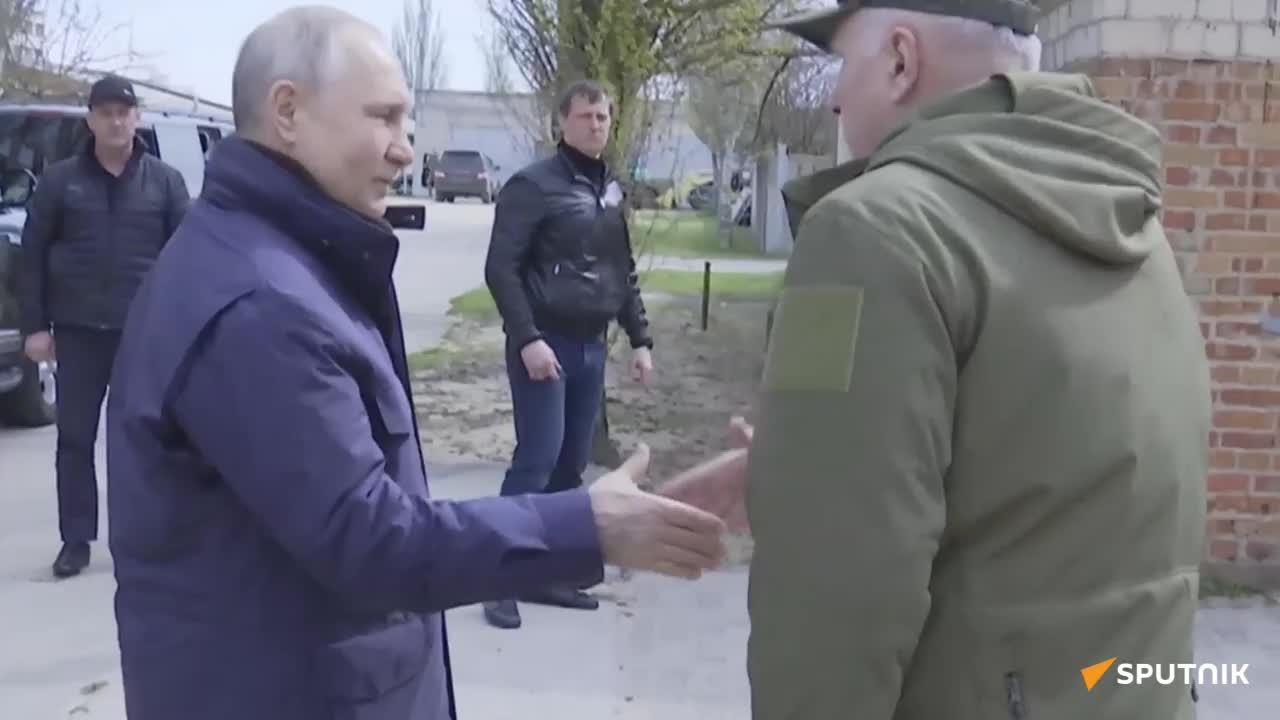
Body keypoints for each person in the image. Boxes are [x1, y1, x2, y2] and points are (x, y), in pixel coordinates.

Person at [104, 7, 737, 719]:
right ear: (288, 111)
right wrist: (585, 527)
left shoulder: (290, 261)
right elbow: (372, 540)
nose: (405, 150)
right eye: (383, 117)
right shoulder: (259, 306)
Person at [732, 1, 1212, 718]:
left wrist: (814, 483)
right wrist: (807, 457)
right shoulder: (1132, 222)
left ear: (901, 61)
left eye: (843, 65)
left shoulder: (867, 233)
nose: (833, 99)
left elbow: (835, 589)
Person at [481, 79, 655, 629]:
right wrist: (528, 338)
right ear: (562, 122)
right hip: (544, 343)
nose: (596, 125)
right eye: (585, 116)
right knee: (536, 459)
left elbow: (621, 272)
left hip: (590, 346)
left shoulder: (611, 191)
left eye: (603, 117)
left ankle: (546, 574)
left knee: (568, 467)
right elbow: (501, 268)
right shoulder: (533, 186)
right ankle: (497, 577)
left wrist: (640, 339)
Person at [17, 74, 190, 579]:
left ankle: (144, 538)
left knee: (143, 443)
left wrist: (182, 327)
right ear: (91, 119)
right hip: (78, 332)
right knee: (74, 440)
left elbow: (188, 260)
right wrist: (35, 327)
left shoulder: (165, 182)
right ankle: (76, 540)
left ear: (138, 118)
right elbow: (32, 256)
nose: (116, 122)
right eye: (106, 113)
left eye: (124, 113)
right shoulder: (60, 182)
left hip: (143, 335)